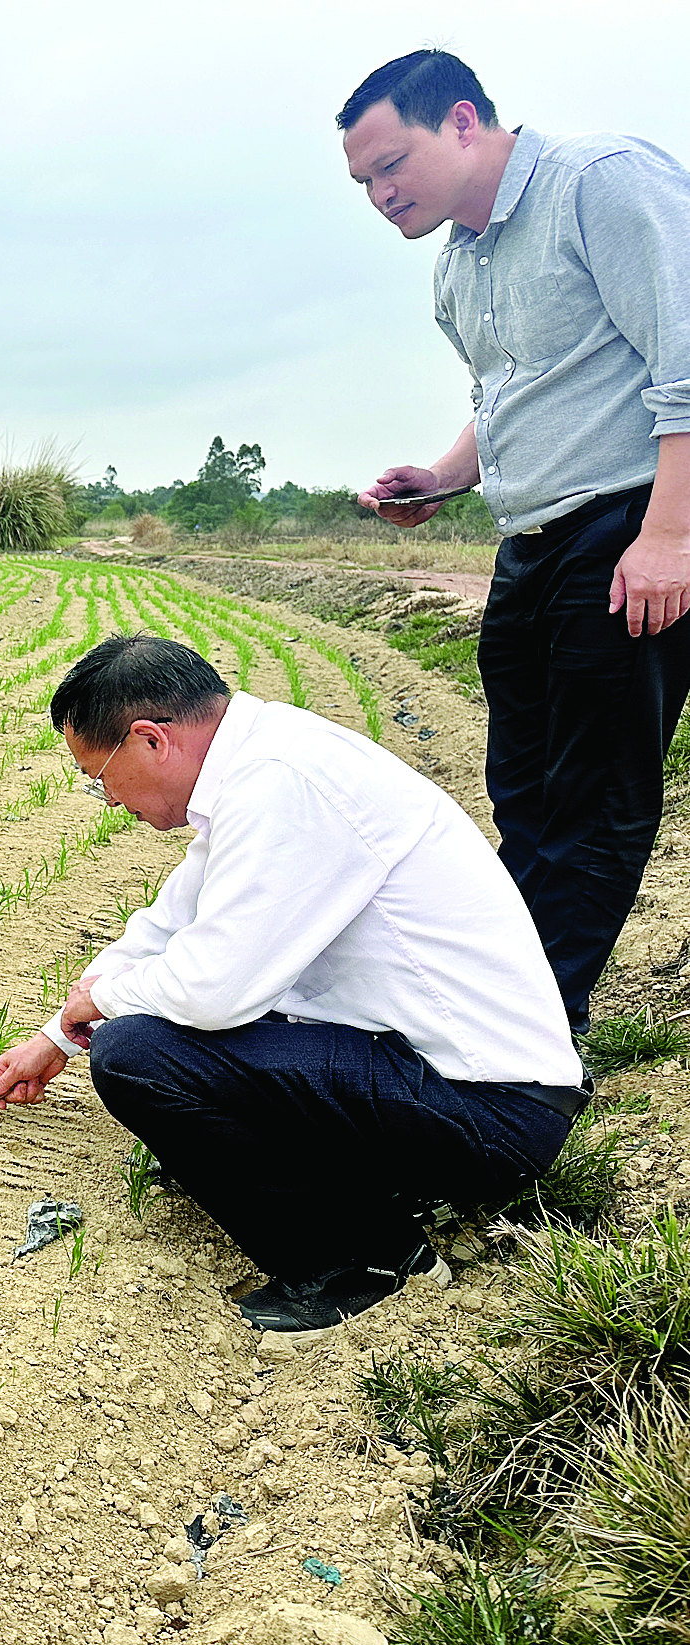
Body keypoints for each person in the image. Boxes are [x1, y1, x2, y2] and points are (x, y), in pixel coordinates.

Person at [0, 635, 588, 1333]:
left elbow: (212, 988)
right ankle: (367, 1191)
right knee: (163, 1033)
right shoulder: (264, 762)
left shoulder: (285, 784)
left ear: (151, 739)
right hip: (449, 1077)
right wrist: (56, 1034)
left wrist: (107, 1003)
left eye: (99, 777)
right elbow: (172, 921)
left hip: (491, 1112)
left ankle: (368, 1255)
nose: (108, 799)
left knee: (138, 1055)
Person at [340, 48, 690, 1035]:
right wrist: (445, 478)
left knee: (595, 795)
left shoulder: (601, 186)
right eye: (363, 181)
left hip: (629, 525)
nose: (380, 193)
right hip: (533, 542)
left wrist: (671, 535)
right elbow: (507, 397)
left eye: (391, 164)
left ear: (460, 121)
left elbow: (685, 356)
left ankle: (531, 1035)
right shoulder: (460, 260)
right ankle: (511, 997)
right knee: (525, 792)